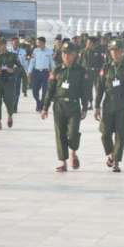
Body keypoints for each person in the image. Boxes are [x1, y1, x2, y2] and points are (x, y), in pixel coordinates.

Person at [41, 43, 90, 172]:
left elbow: (85, 91)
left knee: (73, 133)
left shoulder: (81, 71)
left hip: (74, 105)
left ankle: (73, 152)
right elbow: (50, 90)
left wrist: (85, 107)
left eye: (69, 54)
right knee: (60, 134)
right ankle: (63, 162)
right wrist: (45, 107)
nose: (66, 56)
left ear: (75, 55)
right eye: (64, 53)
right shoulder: (57, 70)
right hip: (59, 105)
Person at [95, 39, 124, 172]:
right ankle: (111, 154)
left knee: (120, 135)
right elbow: (100, 88)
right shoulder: (106, 68)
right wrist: (97, 106)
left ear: (123, 52)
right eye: (113, 51)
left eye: (118, 51)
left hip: (122, 105)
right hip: (108, 104)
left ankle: (116, 162)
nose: (115, 53)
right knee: (104, 133)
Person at [0, 37, 25, 130]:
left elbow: (20, 68)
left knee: (9, 100)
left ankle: (10, 115)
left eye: (1, 45)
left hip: (9, 82)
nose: (0, 47)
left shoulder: (13, 56)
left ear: (5, 45)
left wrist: (13, 70)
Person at [27, 37, 54, 111]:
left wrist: (53, 72)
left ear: (43, 43)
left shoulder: (49, 51)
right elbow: (32, 62)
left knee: (45, 91)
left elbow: (52, 63)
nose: (37, 44)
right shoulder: (35, 51)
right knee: (34, 91)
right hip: (36, 72)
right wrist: (29, 72)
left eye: (38, 43)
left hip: (45, 73)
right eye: (37, 43)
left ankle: (41, 105)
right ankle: (38, 102)